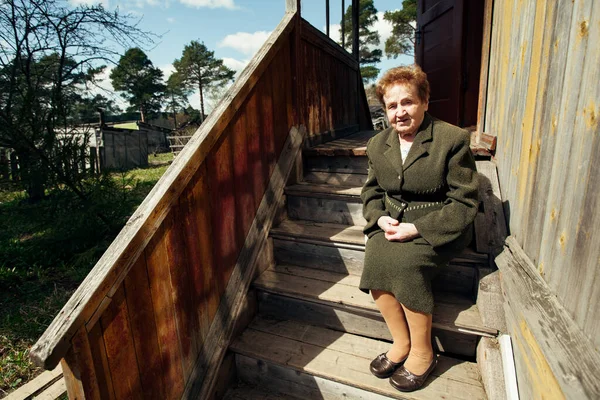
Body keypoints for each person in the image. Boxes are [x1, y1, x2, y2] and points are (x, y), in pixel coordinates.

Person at [360, 65, 479, 392]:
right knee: (375, 258)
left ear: (425, 102)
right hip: (393, 221)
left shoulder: (451, 139)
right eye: (392, 106)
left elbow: (465, 202)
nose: (400, 112)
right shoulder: (377, 144)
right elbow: (371, 192)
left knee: (404, 264)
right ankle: (401, 343)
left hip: (440, 222)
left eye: (408, 102)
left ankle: (424, 353)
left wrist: (416, 230)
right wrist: (378, 217)